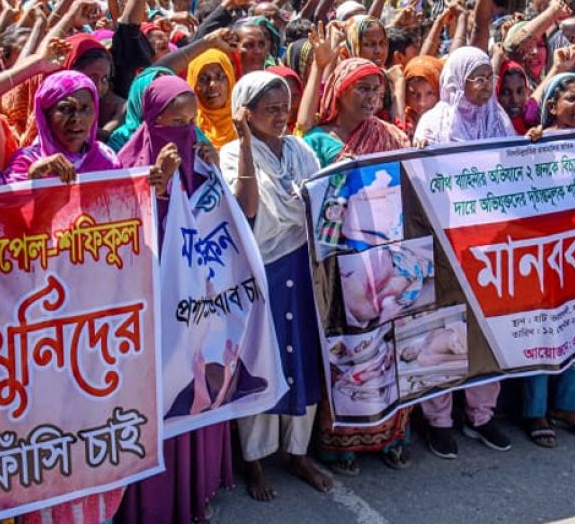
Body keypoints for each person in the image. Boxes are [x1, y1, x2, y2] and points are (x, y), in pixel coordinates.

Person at [115, 76, 232, 524]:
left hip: (194, 307)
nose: (183, 130)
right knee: (155, 398)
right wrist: (152, 186)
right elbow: (113, 227)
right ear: (150, 119)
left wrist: (214, 170)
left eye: (190, 121)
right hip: (146, 310)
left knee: (194, 386)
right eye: (172, 122)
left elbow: (220, 226)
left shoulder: (198, 157)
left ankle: (193, 490)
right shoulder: (126, 159)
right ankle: (147, 502)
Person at [220, 72, 333, 502]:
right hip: (261, 271)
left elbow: (322, 202)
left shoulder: (302, 151)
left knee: (302, 356)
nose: (281, 116)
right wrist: (248, 146)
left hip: (303, 266)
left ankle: (297, 452)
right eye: (269, 109)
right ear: (245, 114)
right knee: (262, 360)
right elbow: (245, 213)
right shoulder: (232, 155)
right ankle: (253, 459)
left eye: (284, 107)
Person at [299, 56, 413, 473]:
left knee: (388, 346)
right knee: (345, 349)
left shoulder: (391, 136)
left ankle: (391, 435)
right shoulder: (315, 141)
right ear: (339, 91)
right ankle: (340, 443)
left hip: (386, 259)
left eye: (377, 90)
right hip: (337, 262)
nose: (371, 98)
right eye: (362, 88)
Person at [410, 46, 515, 458]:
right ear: (456, 80)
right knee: (441, 330)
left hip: (492, 246)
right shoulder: (434, 123)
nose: (486, 85)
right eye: (477, 77)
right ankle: (438, 419)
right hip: (445, 243)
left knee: (488, 331)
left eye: (489, 76)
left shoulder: (500, 120)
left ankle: (482, 414)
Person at [517, 72, 575, 447]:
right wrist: (532, 143)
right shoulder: (538, 144)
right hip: (545, 254)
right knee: (544, 331)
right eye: (571, 100)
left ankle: (566, 405)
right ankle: (535, 412)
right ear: (552, 107)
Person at [187, 48, 238, 150]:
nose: (212, 85)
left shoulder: (246, 121)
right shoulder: (187, 127)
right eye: (203, 79)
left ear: (230, 79)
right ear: (192, 84)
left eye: (220, 77)